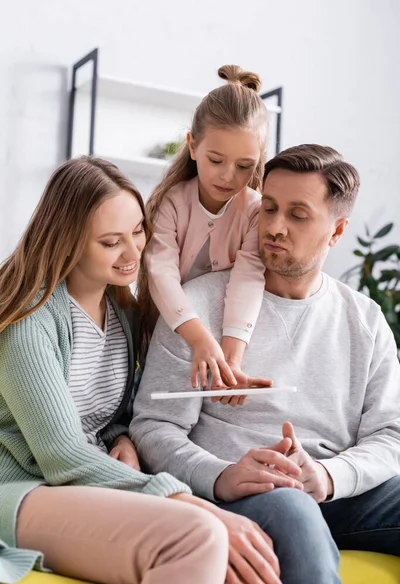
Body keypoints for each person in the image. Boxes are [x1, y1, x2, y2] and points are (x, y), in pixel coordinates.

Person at [0, 156, 282, 584]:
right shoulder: (29, 319)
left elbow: (106, 417)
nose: (135, 252)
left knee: (209, 543)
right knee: (199, 530)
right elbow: (61, 453)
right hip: (23, 489)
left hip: (81, 486)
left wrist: (125, 439)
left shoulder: (123, 312)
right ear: (68, 241)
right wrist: (186, 499)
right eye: (111, 242)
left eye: (137, 232)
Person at [130, 144, 400, 584]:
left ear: (336, 231)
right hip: (243, 494)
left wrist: (329, 476)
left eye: (298, 214)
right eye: (269, 208)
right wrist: (222, 475)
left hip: (336, 492)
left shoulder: (365, 319)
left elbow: (391, 434)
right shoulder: (197, 308)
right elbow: (153, 426)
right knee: (291, 506)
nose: (274, 227)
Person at [144, 64, 272, 393]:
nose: (228, 177)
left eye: (245, 166)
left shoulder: (255, 209)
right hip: (165, 328)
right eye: (215, 160)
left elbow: (248, 279)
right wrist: (199, 339)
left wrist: (231, 359)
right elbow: (161, 273)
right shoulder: (171, 202)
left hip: (223, 332)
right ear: (192, 146)